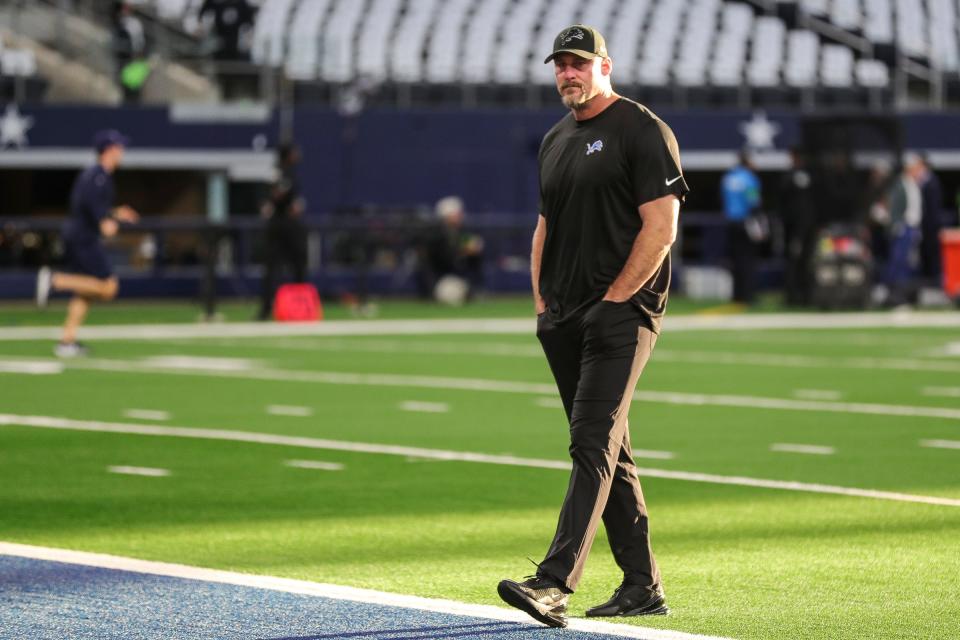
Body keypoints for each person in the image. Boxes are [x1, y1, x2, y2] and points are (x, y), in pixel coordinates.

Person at [496, 25, 687, 629]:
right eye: (560, 65)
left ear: (605, 65)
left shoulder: (642, 128)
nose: (567, 74)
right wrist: (541, 306)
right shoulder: (554, 139)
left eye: (578, 63)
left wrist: (615, 299)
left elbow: (662, 227)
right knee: (612, 450)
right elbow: (544, 229)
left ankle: (553, 584)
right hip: (564, 316)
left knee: (589, 443)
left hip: (622, 313)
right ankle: (641, 584)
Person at [35, 129, 139, 357]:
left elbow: (91, 204)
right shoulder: (98, 176)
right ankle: (56, 281)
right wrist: (104, 221)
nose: (122, 152)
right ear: (109, 150)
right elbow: (89, 204)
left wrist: (115, 213)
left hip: (78, 235)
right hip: (83, 238)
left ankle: (67, 341)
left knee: (86, 292)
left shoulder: (95, 175)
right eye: (119, 147)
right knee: (109, 287)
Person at [257, 142, 307, 320]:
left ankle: (298, 306)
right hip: (282, 224)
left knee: (296, 265)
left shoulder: (280, 172)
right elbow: (274, 195)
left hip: (279, 223)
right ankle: (267, 308)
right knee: (278, 266)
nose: (297, 155)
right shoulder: (280, 172)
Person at [416, 196, 485, 302]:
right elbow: (430, 265)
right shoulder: (434, 235)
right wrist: (432, 288)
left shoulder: (463, 233)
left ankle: (474, 291)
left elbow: (471, 261)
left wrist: (473, 252)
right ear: (446, 216)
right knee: (449, 292)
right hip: (439, 280)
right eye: (456, 214)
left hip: (458, 280)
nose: (460, 216)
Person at [721, 151, 762, 304]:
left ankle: (736, 295)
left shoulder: (728, 178)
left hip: (731, 222)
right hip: (746, 222)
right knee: (748, 260)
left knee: (735, 260)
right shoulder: (749, 179)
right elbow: (754, 202)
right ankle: (748, 295)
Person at [778, 146, 816, 306]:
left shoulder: (795, 175)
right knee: (797, 260)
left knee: (799, 260)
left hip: (799, 227)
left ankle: (799, 296)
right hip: (800, 226)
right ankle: (797, 296)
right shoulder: (802, 175)